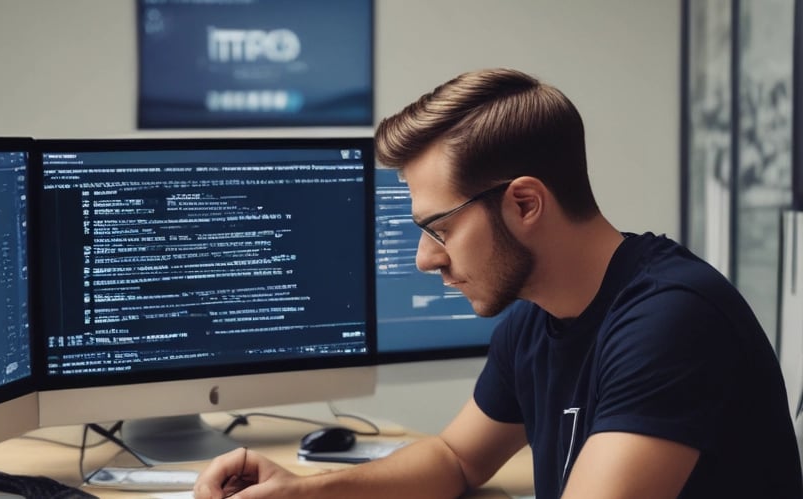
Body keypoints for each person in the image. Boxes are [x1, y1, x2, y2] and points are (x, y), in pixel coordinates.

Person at [192, 68, 803, 498]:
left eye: (438, 228)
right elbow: (456, 458)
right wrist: (305, 493)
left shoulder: (673, 321)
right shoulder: (533, 318)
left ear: (525, 203)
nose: (424, 260)